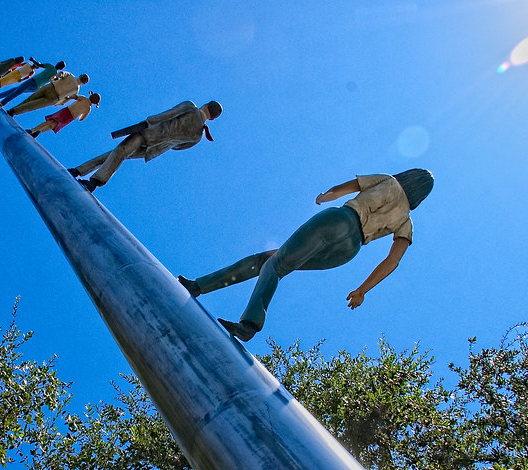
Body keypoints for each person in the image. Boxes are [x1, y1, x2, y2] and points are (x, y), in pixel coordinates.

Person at [178, 170, 434, 341]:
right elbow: (392, 261)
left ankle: (249, 323)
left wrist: (325, 196)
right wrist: (362, 289)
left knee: (273, 265)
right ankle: (199, 285)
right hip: (349, 250)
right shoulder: (406, 222)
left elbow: (347, 187)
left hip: (340, 220)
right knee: (268, 261)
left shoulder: (388, 181)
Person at [68, 100, 223, 191]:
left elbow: (169, 114)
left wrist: (147, 122)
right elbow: (178, 147)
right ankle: (80, 170)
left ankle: (94, 182)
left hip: (148, 133)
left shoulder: (191, 107)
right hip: (155, 149)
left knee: (119, 152)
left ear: (206, 104)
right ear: (213, 118)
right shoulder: (198, 136)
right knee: (117, 154)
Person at [7, 72, 90, 116]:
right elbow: (68, 98)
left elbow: (61, 74)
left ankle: (13, 109)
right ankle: (14, 111)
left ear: (80, 76)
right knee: (33, 105)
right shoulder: (76, 90)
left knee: (30, 99)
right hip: (54, 97)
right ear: (83, 83)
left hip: (50, 87)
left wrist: (55, 77)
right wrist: (60, 103)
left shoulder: (71, 76)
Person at [28, 91, 101, 137]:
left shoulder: (83, 98)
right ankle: (39, 131)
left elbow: (74, 96)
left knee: (50, 121)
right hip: (70, 117)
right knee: (53, 125)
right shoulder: (88, 109)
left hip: (67, 110)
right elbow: (81, 119)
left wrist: (67, 98)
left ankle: (33, 130)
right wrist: (80, 114)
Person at [0, 60, 65, 105]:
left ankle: (2, 102)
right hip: (37, 87)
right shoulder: (56, 75)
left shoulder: (50, 66)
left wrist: (33, 60)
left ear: (58, 63)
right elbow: (55, 82)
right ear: (61, 69)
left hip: (34, 81)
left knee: (17, 91)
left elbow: (38, 65)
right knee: (17, 90)